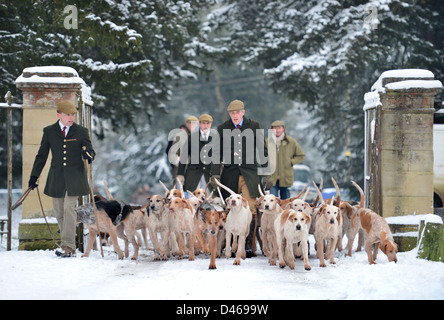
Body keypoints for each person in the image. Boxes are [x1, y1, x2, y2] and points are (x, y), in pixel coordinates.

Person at [28, 100, 95, 258]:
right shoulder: (49, 131)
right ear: (59, 115)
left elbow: (91, 151)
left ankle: (68, 247)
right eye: (68, 114)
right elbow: (42, 155)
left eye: (73, 114)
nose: (71, 117)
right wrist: (34, 176)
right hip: (56, 177)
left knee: (69, 209)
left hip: (75, 177)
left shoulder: (81, 131)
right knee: (59, 212)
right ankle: (69, 247)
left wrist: (88, 155)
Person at [213, 99, 268, 257]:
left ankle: (248, 246)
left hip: (249, 174)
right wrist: (215, 174)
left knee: (250, 208)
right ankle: (230, 244)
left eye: (237, 112)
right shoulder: (223, 128)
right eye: (232, 113)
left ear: (243, 112)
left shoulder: (254, 126)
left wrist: (268, 172)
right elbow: (216, 153)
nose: (235, 115)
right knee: (230, 207)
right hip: (229, 174)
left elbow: (262, 150)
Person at [264, 120, 305, 199]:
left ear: (283, 129)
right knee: (273, 200)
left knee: (286, 201)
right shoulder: (267, 142)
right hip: (271, 178)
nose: (277, 130)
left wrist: (290, 162)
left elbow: (301, 155)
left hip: (286, 177)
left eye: (279, 128)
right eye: (275, 128)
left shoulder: (291, 142)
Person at [177, 114, 217, 193]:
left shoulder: (216, 137)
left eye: (207, 123)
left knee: (210, 199)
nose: (205, 126)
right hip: (193, 174)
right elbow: (184, 156)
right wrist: (180, 174)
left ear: (211, 124)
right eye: (203, 123)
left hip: (209, 175)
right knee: (192, 199)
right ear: (200, 124)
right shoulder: (191, 137)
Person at [166, 115, 198, 184]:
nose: (193, 125)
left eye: (195, 123)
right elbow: (172, 152)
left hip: (193, 173)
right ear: (187, 124)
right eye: (191, 123)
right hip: (180, 172)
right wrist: (178, 162)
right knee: (180, 193)